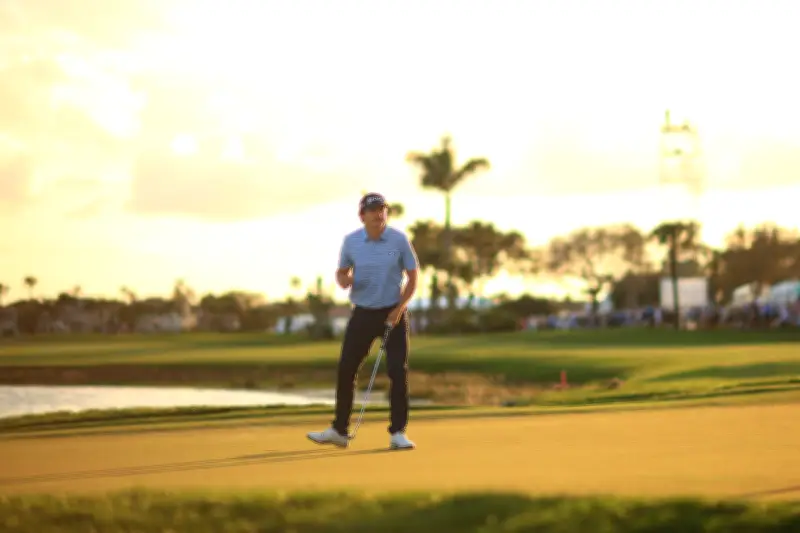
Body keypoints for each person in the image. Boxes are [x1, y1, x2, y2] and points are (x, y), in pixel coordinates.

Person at [306, 192, 420, 450]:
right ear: (362, 216)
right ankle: (339, 430)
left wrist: (400, 308)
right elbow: (341, 272)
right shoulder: (351, 241)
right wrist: (344, 279)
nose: (379, 214)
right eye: (373, 210)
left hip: (393, 312)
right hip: (363, 314)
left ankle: (398, 433)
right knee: (346, 369)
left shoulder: (399, 239)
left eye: (382, 210)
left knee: (397, 371)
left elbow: (413, 278)